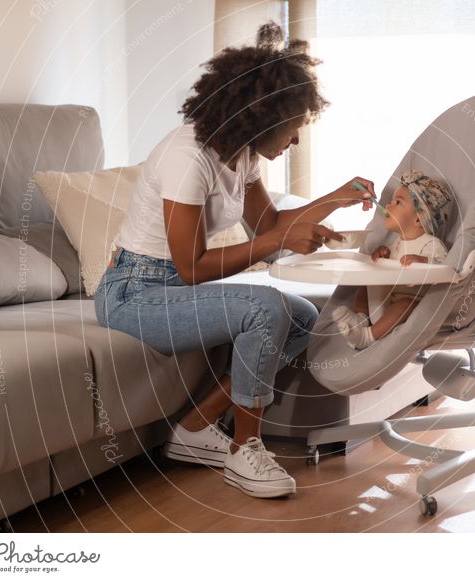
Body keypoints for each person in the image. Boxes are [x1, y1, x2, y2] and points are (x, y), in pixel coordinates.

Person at [93, 22, 376, 499]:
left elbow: (267, 227)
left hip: (172, 290)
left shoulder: (242, 155)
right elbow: (192, 268)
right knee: (266, 307)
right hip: (134, 292)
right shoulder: (189, 157)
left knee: (307, 318)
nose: (296, 140)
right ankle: (246, 449)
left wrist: (335, 198)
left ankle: (196, 426)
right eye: (293, 126)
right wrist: (277, 241)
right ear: (262, 117)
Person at [332, 170, 452, 349]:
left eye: (398, 202)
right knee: (366, 283)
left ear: (418, 219)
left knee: (405, 304)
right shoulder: (397, 243)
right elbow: (392, 269)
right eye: (391, 201)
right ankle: (361, 320)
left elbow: (444, 269)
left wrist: (423, 261)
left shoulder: (431, 245)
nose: (388, 206)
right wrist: (384, 255)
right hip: (389, 303)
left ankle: (366, 337)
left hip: (413, 309)